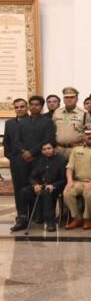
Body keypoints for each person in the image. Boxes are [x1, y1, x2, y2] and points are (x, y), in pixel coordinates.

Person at [16, 142, 66, 232]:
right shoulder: (39, 160)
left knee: (46, 192)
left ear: (54, 149)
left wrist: (53, 185)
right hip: (40, 186)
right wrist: (35, 184)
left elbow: (64, 179)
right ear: (42, 151)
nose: (47, 151)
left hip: (55, 187)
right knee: (24, 191)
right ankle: (22, 220)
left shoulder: (61, 160)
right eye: (44, 149)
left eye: (49, 148)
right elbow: (32, 177)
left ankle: (50, 222)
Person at [4, 99, 29, 231]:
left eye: (22, 106)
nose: (19, 109)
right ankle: (21, 216)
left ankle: (36, 215)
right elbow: (7, 142)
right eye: (17, 107)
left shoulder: (33, 121)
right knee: (19, 189)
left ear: (27, 107)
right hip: (16, 161)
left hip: (32, 161)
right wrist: (11, 156)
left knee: (31, 187)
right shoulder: (9, 123)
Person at [52, 87, 91, 159]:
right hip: (59, 149)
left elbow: (89, 133)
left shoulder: (84, 113)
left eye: (72, 97)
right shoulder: (57, 112)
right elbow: (52, 130)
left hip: (76, 149)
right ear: (63, 99)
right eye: (66, 97)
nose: (69, 99)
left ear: (77, 99)